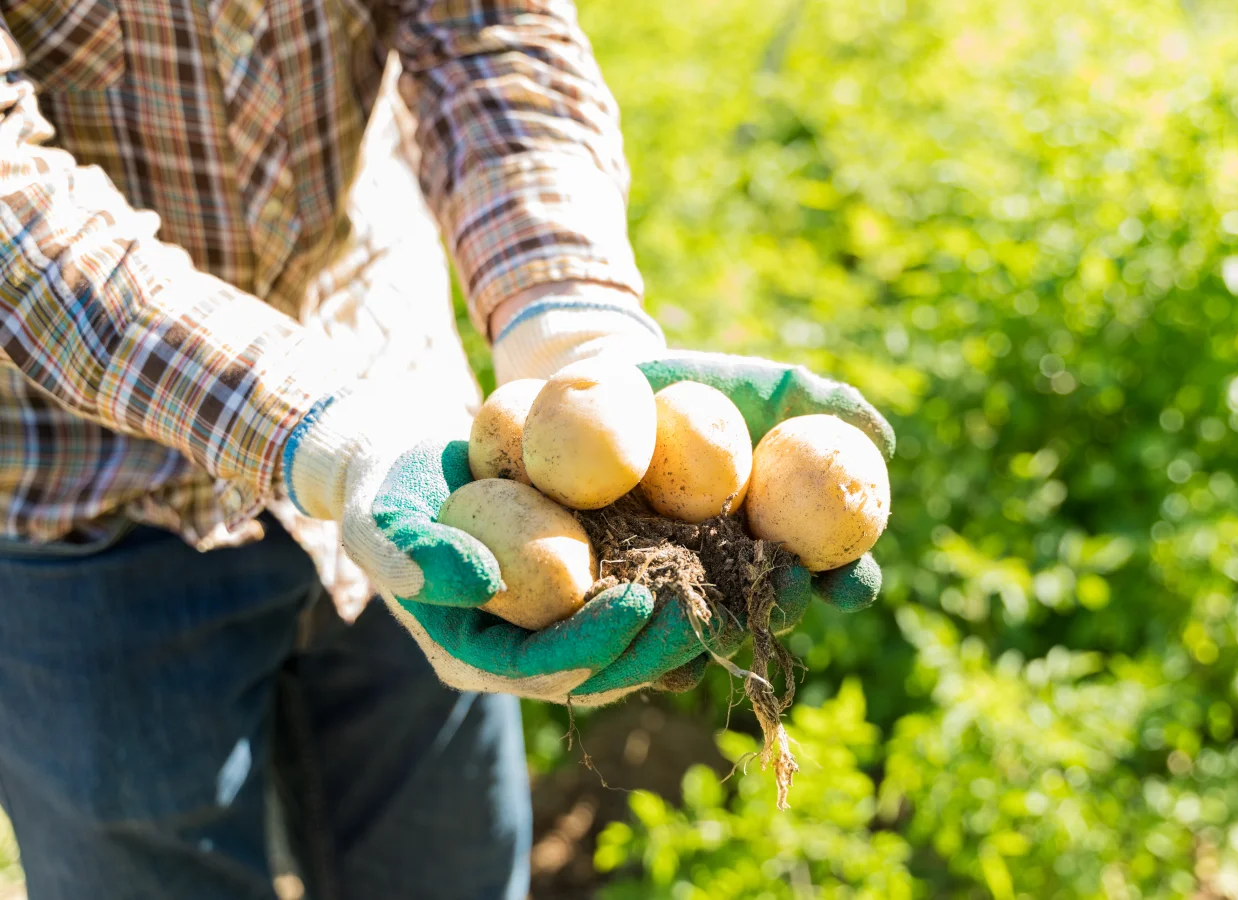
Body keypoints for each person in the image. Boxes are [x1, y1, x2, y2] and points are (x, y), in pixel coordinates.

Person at [0, 1, 894, 897]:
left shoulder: (456, 494)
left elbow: (488, 28)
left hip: (415, 460)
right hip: (82, 490)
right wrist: (328, 435)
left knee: (449, 871)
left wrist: (571, 325)